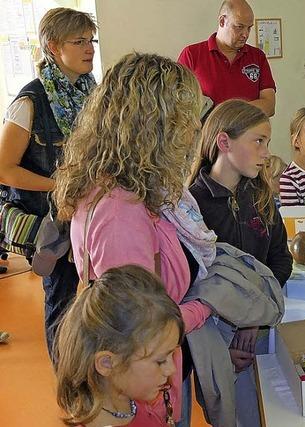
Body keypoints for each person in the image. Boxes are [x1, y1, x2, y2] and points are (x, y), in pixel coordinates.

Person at [54, 52, 211, 425]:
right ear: (155, 126)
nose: (194, 128)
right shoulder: (120, 213)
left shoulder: (128, 188)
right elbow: (137, 326)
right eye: (185, 118)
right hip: (145, 399)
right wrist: (210, 305)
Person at [0, 7, 97, 357]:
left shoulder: (92, 94)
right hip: (50, 225)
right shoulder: (29, 102)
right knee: (62, 300)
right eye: (79, 41)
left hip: (86, 216)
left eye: (91, 40)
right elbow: (5, 170)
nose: (89, 48)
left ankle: (82, 371)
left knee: (88, 303)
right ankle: (68, 383)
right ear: (53, 48)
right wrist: (60, 186)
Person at [189, 99, 292, 426]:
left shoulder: (261, 197)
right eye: (258, 141)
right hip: (215, 333)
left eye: (267, 142)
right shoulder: (193, 205)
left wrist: (253, 318)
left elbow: (280, 260)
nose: (266, 152)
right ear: (224, 142)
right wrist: (220, 348)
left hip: (257, 328)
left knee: (268, 412)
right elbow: (194, 285)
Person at [55, 265, 184, 427]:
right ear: (107, 363)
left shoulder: (130, 399)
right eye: (160, 361)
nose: (171, 369)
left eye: (171, 354)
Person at [178, 0, 276, 116]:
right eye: (239, 27)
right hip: (206, 133)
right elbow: (179, 106)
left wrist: (229, 113)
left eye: (249, 28)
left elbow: (269, 106)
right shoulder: (191, 54)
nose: (245, 34)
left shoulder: (258, 56)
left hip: (250, 133)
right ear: (222, 21)